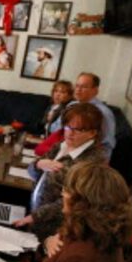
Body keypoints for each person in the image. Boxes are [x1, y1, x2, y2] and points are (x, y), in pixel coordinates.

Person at [14, 103, 108, 242]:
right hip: (36, 215)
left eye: (78, 129)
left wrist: (36, 216)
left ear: (92, 133)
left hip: (57, 227)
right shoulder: (62, 145)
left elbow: (73, 201)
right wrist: (38, 164)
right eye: (68, 126)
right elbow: (33, 171)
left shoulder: (92, 162)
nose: (70, 132)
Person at [52, 72, 116, 158]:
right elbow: (55, 128)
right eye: (77, 86)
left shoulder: (103, 112)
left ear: (95, 90)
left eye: (84, 87)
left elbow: (107, 144)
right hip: (62, 149)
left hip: (85, 158)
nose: (78, 90)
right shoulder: (71, 105)